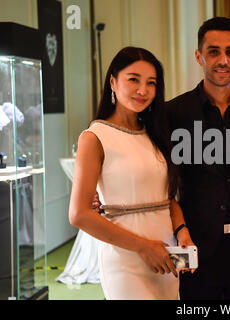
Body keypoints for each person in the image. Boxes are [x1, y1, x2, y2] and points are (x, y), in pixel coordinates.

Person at [68, 47, 194, 300]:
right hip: (125, 260)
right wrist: (144, 248)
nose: (143, 90)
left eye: (151, 83)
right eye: (133, 79)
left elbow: (166, 199)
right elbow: (79, 214)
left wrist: (182, 232)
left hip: (166, 256)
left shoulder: (155, 133)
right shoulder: (95, 137)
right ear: (113, 81)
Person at [166, 17, 230, 300]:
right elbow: (159, 181)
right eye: (213, 51)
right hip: (190, 243)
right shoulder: (173, 113)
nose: (222, 59)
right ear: (198, 56)